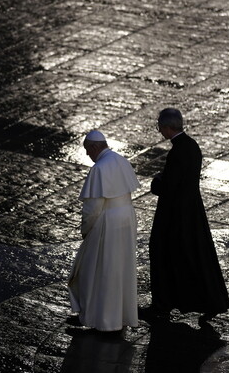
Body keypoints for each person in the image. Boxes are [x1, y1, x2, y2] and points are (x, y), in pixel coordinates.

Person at [146, 108, 229, 323]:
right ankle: (210, 301)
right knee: (195, 256)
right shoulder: (191, 146)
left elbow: (169, 185)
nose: (159, 130)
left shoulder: (178, 151)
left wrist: (156, 182)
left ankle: (162, 304)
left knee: (162, 252)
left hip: (174, 215)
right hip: (191, 212)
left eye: (160, 127)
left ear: (166, 127)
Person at [68, 130, 141, 332]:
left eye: (87, 150)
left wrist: (86, 229)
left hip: (107, 221)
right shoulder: (121, 160)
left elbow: (93, 208)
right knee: (121, 268)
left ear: (93, 147)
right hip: (127, 217)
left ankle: (97, 318)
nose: (87, 155)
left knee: (96, 270)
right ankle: (120, 317)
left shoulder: (99, 168)